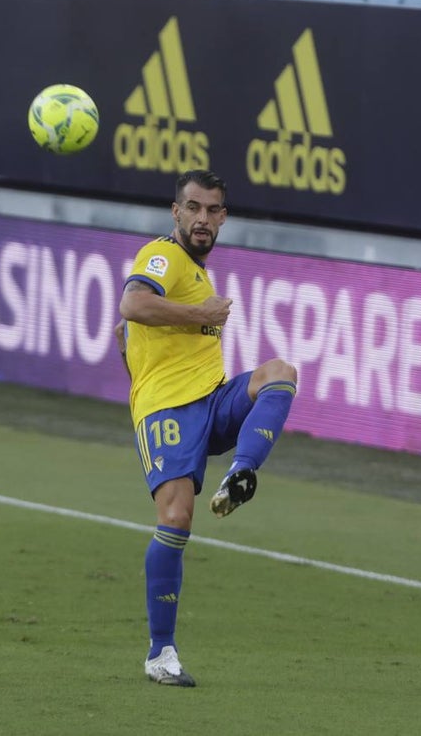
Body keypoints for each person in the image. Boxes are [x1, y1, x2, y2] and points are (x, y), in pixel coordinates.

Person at [116, 170, 298, 687]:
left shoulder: (197, 271)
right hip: (169, 412)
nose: (202, 218)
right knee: (176, 516)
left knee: (279, 374)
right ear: (176, 212)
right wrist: (198, 315)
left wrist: (133, 344)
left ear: (223, 218)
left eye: (212, 210)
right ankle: (160, 653)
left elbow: (125, 329)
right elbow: (132, 303)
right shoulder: (164, 256)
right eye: (193, 207)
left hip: (212, 400)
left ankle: (242, 472)